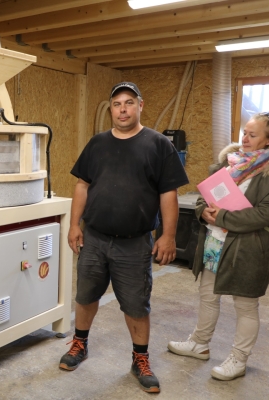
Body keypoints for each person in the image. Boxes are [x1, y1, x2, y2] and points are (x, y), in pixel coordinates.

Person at [60, 82, 189, 393]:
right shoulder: (97, 143)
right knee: (86, 295)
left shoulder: (159, 145)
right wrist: (74, 224)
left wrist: (168, 235)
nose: (122, 109)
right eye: (116, 104)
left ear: (140, 106)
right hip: (95, 237)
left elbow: (168, 193)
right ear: (111, 109)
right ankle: (80, 344)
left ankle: (139, 360)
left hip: (134, 242)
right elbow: (82, 186)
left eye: (129, 102)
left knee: (136, 304)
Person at [167, 109, 269, 380]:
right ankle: (199, 343)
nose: (245, 138)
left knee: (245, 305)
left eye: (253, 135)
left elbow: (266, 214)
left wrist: (223, 216)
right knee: (208, 296)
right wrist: (203, 211)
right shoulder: (229, 163)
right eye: (244, 132)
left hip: (248, 249)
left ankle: (239, 359)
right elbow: (203, 197)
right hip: (215, 242)